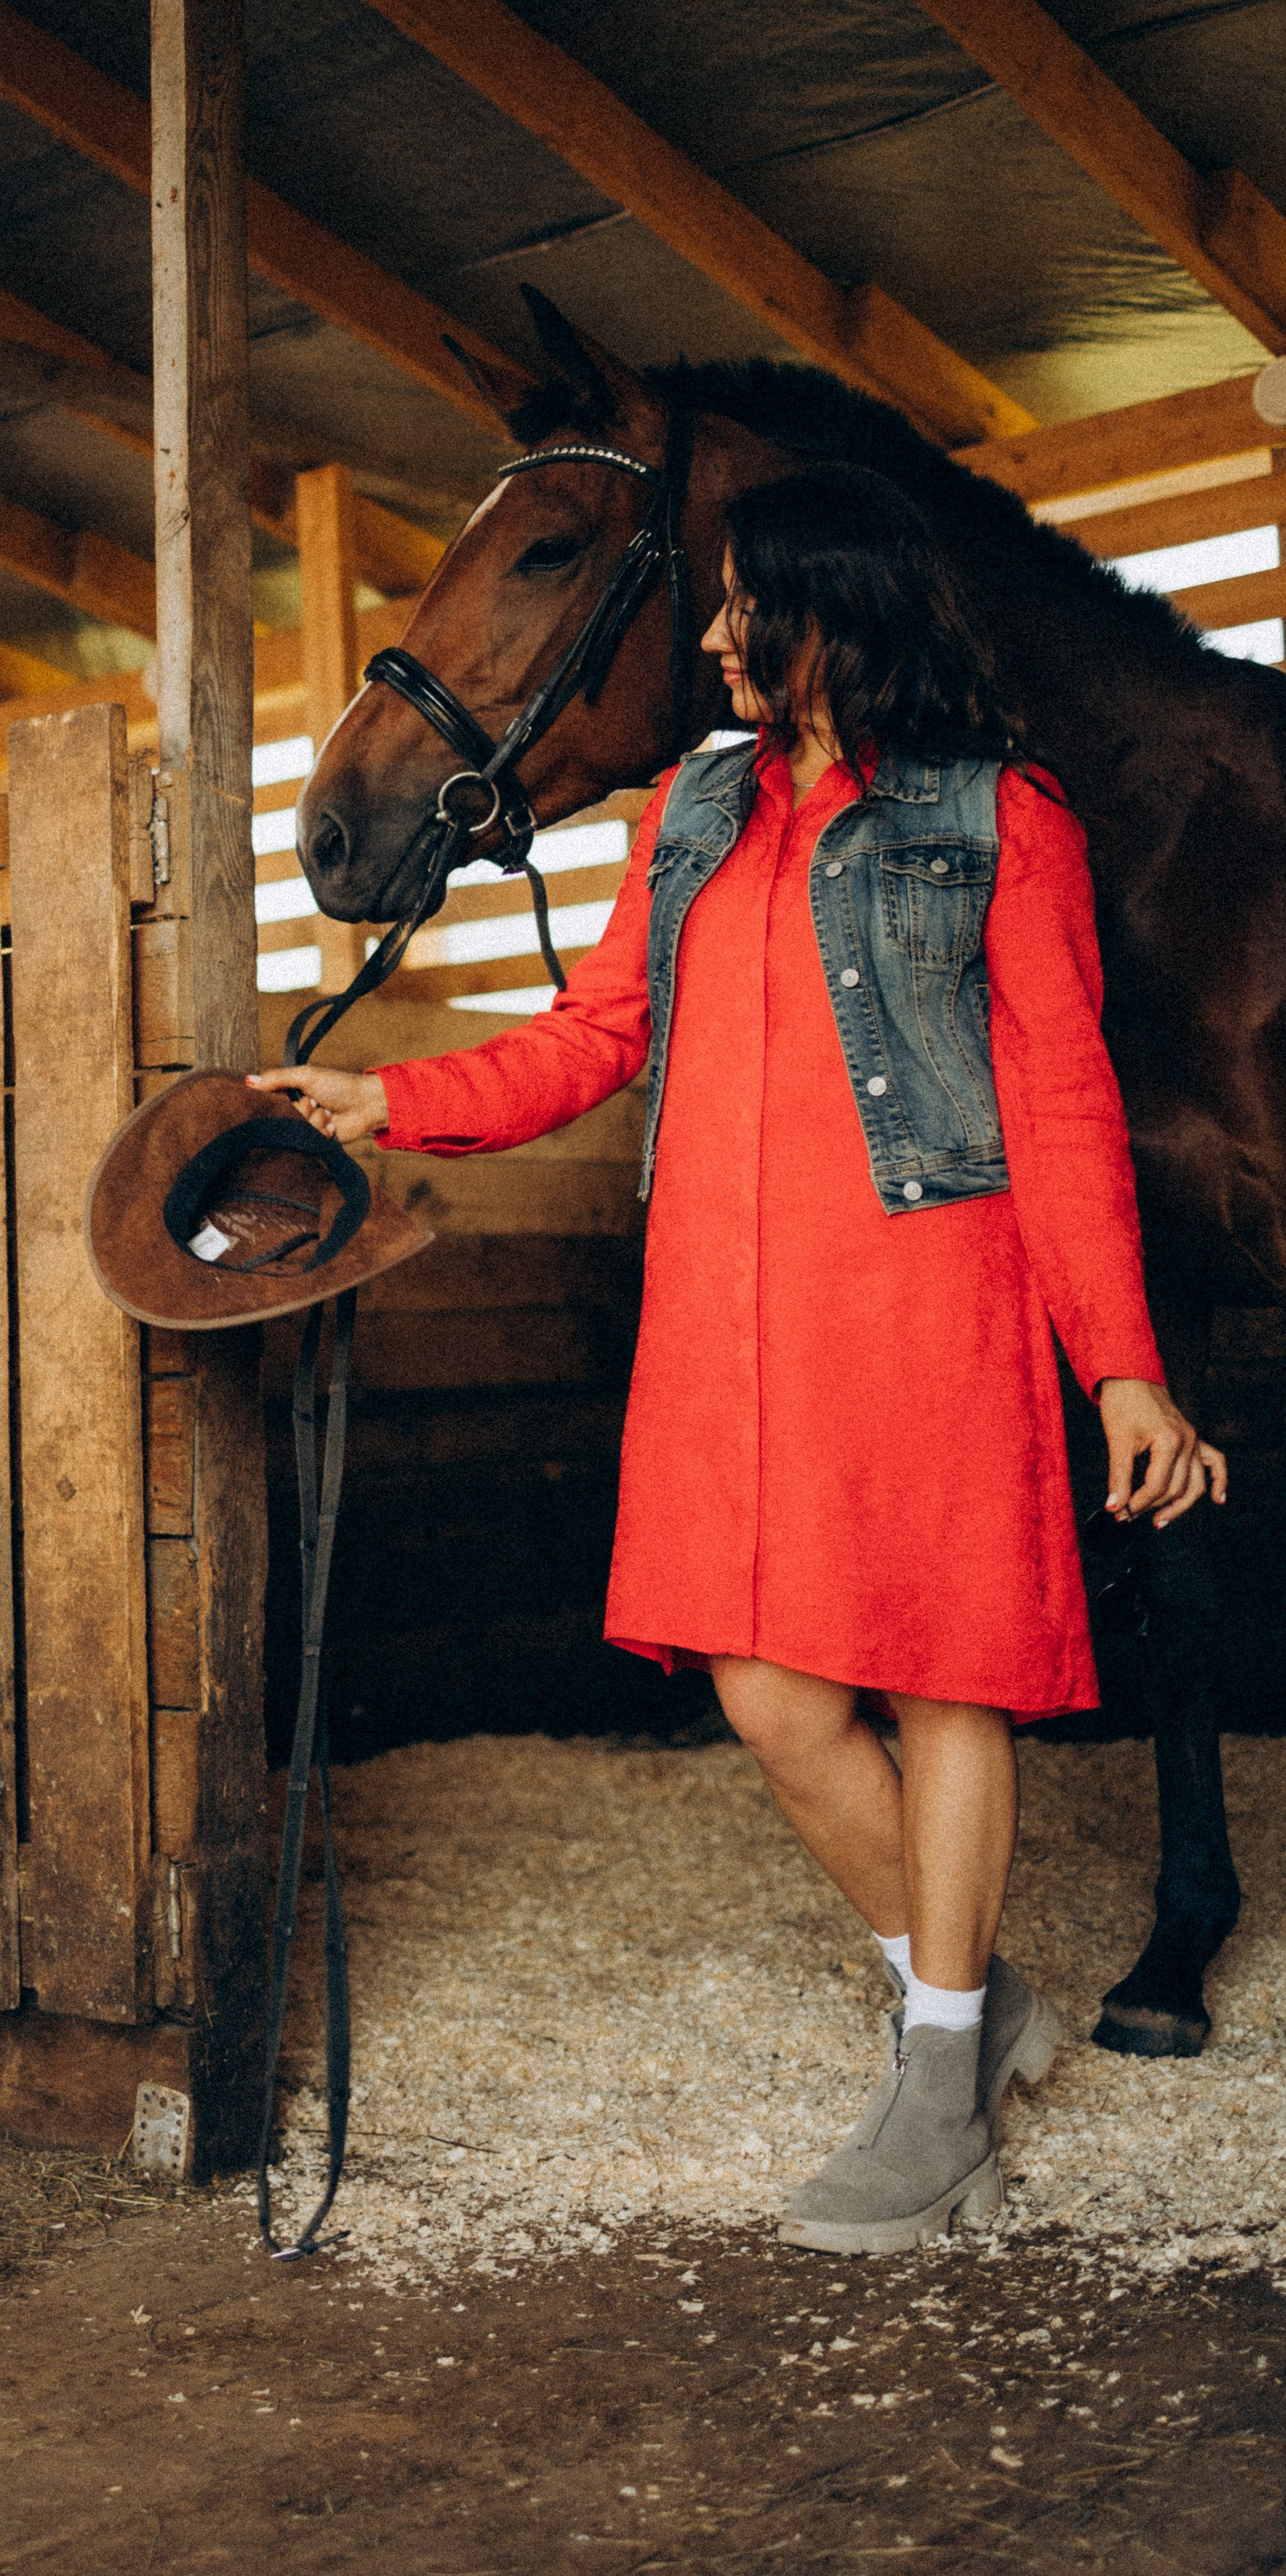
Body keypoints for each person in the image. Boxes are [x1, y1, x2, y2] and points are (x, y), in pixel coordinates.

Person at [249, 460, 1226, 2256]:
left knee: (943, 1681)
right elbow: (594, 1035)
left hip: (929, 1292)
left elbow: (1061, 1103)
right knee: (765, 1690)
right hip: (724, 1308)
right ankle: (969, 1996)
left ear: (829, 614)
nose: (708, 639)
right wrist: (388, 1097)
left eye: (736, 608)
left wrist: (1120, 1369)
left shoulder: (1003, 819)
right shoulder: (693, 813)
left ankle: (939, 2076)